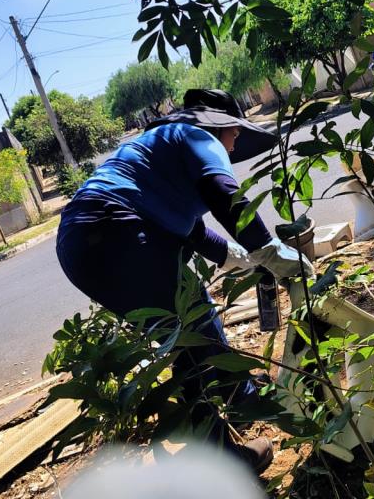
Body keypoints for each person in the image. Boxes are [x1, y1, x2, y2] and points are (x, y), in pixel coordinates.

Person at [55, 88, 314, 472]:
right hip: (116, 228)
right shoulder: (197, 136)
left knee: (187, 339)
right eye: (235, 131)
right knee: (195, 331)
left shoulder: (158, 155)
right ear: (220, 125)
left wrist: (246, 259)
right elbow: (225, 193)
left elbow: (199, 235)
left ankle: (237, 399)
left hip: (77, 245)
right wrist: (270, 251)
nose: (236, 139)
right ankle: (227, 456)